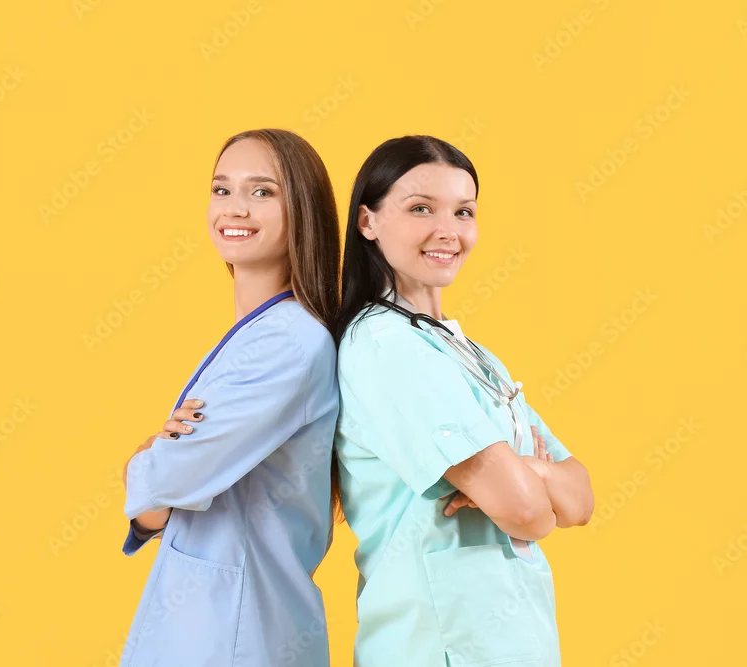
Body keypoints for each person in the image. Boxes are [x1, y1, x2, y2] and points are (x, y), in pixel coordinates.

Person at [334, 135, 595, 667]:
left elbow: (581, 500)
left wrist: (530, 472)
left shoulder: (466, 352)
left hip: (512, 642)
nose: (448, 230)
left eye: (463, 211)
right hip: (437, 646)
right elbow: (528, 514)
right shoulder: (388, 347)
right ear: (368, 222)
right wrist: (528, 482)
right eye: (420, 209)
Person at [119, 129, 342, 667]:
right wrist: (157, 487)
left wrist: (147, 460)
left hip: (241, 631)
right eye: (222, 189)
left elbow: (166, 478)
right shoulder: (261, 334)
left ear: (304, 211)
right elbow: (154, 506)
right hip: (212, 622)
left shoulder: (288, 342)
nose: (234, 208)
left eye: (262, 191)